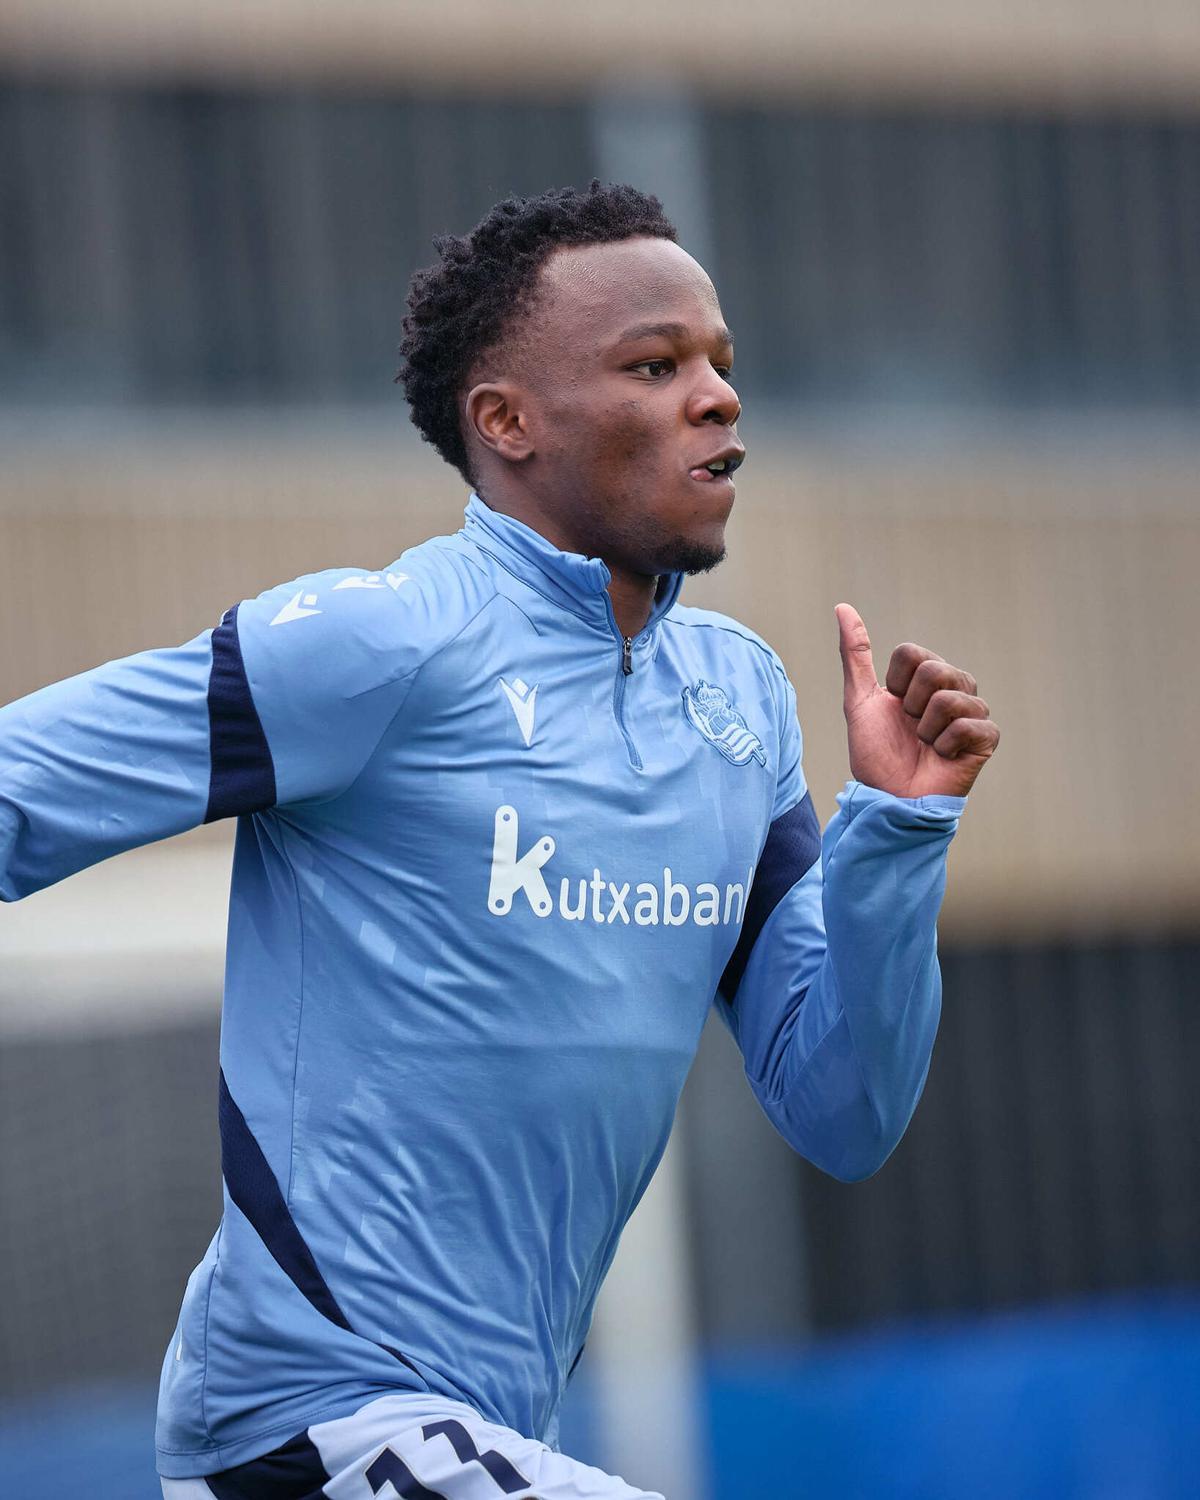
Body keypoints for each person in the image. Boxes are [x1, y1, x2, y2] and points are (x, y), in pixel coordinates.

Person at [0, 182, 999, 1499]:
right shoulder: (381, 643)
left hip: (487, 1430)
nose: (717, 397)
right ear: (507, 421)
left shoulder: (741, 699)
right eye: (655, 365)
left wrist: (899, 832)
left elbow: (845, 1107)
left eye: (719, 363)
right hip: (304, 1423)